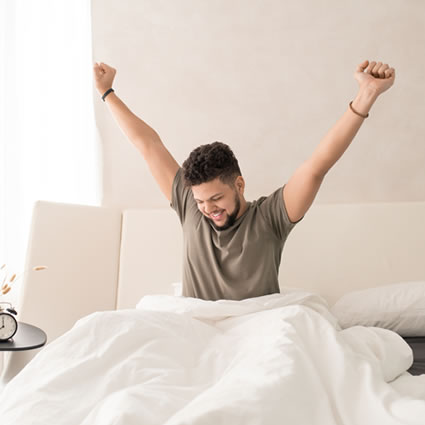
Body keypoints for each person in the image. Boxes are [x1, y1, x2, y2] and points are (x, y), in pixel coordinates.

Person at [93, 60, 395, 301]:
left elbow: (318, 165)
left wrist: (366, 95)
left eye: (216, 198)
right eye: (200, 201)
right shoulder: (188, 205)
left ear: (239, 185)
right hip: (195, 333)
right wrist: (107, 92)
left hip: (255, 333)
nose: (208, 208)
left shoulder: (271, 217)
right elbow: (148, 145)